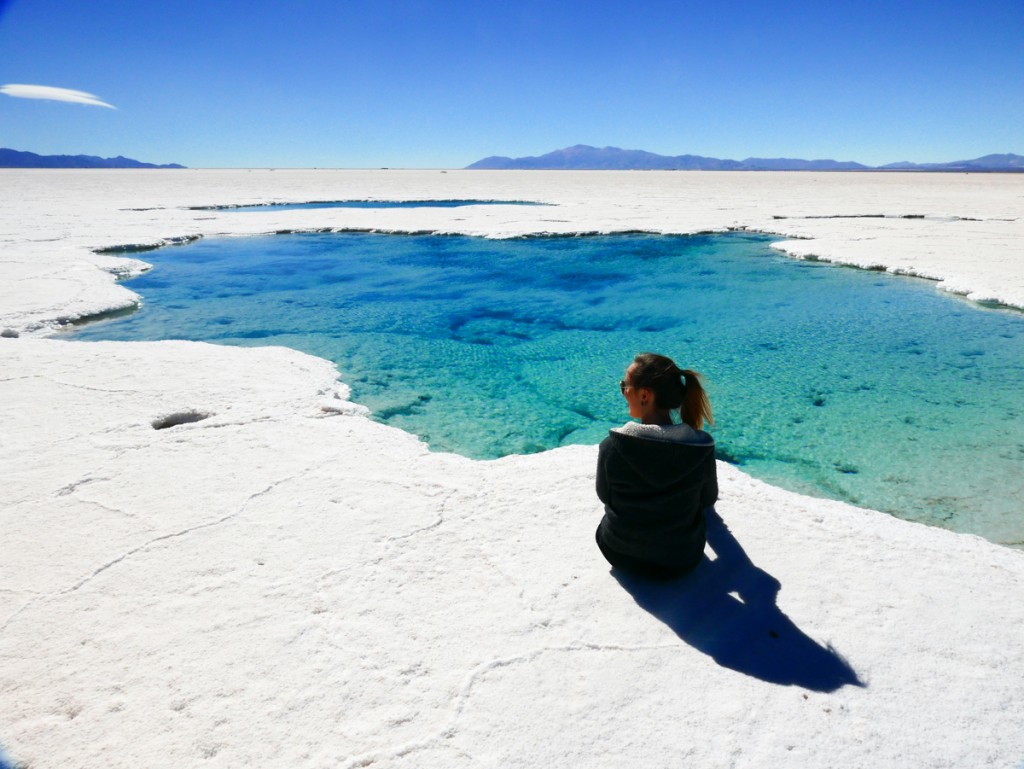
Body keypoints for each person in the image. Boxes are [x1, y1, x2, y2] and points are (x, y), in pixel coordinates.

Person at [595, 352, 718, 579]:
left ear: (644, 395)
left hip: (618, 553)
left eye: (624, 385)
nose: (622, 391)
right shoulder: (700, 449)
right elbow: (707, 500)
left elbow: (605, 496)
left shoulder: (612, 447)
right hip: (682, 560)